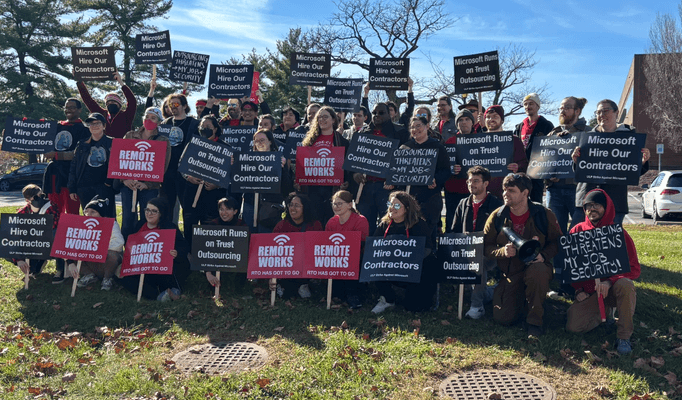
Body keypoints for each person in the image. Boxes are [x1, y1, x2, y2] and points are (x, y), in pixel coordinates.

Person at [483, 173, 561, 336]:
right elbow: (485, 247)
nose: (505, 194)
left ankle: (534, 322)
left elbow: (557, 242)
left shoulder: (543, 214)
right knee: (503, 318)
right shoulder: (497, 216)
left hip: (536, 268)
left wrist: (544, 256)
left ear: (525, 193)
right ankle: (526, 302)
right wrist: (502, 252)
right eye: (504, 190)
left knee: (537, 272)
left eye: (511, 190)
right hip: (511, 273)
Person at [566, 189, 640, 355]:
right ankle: (603, 313)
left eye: (597, 205)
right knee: (574, 326)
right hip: (591, 293)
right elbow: (571, 268)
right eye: (588, 206)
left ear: (607, 207)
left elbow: (634, 268)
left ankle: (623, 335)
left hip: (613, 289)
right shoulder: (577, 231)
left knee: (625, 284)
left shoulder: (618, 233)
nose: (592, 209)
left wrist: (610, 281)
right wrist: (578, 290)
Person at [571, 99, 650, 226]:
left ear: (616, 113)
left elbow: (631, 172)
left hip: (615, 202)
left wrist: (642, 162)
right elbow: (581, 171)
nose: (601, 114)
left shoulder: (629, 137)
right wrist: (576, 161)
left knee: (609, 244)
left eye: (605, 110)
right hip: (587, 200)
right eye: (598, 112)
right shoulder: (586, 138)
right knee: (577, 241)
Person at [450, 166, 503, 319]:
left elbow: (500, 235)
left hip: (488, 252)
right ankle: (492, 291)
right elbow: (454, 230)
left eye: (476, 181)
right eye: (469, 181)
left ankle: (477, 306)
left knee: (477, 262)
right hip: (465, 249)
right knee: (470, 282)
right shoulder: (463, 203)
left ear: (486, 183)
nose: (471, 184)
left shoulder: (496, 205)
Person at [371, 191, 437, 313]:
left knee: (412, 307)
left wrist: (407, 259)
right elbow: (374, 247)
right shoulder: (384, 225)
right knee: (374, 265)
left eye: (396, 205)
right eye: (390, 204)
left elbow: (427, 249)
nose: (392, 208)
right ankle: (387, 299)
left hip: (413, 268)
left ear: (406, 209)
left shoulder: (418, 224)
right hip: (390, 266)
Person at [119, 197, 190, 301]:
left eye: (154, 211)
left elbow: (184, 246)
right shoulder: (140, 225)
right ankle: (159, 294)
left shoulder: (169, 227)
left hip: (162, 268)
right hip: (143, 267)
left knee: (170, 274)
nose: (149, 214)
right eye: (147, 210)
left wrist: (176, 252)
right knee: (126, 280)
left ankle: (168, 291)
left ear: (161, 213)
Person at [354, 103, 410, 234]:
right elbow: (354, 159)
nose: (377, 116)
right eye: (374, 113)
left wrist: (394, 180)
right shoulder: (362, 133)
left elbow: (405, 162)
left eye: (381, 113)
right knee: (366, 225)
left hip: (388, 189)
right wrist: (355, 173)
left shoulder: (400, 133)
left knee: (389, 223)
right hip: (365, 187)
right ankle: (366, 252)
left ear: (389, 114)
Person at [118, 107, 171, 239]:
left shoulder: (163, 141)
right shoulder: (130, 135)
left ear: (159, 122)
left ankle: (143, 251)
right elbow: (119, 160)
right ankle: (126, 252)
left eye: (153, 118)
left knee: (147, 221)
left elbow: (163, 167)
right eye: (147, 117)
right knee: (127, 220)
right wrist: (125, 180)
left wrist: (147, 184)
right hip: (128, 186)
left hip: (149, 188)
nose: (149, 120)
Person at [544, 97, 589, 233]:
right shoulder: (553, 133)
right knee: (555, 233)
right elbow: (543, 162)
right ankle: (558, 255)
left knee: (577, 232)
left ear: (577, 111)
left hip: (578, 190)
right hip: (554, 190)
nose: (563, 111)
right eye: (561, 108)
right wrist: (548, 175)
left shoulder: (588, 132)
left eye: (567, 107)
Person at [299, 106, 350, 224]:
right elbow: (302, 164)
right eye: (319, 117)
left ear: (333, 120)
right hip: (313, 188)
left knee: (331, 219)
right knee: (313, 219)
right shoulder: (309, 141)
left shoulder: (342, 141)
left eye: (325, 117)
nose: (322, 119)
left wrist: (346, 181)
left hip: (332, 189)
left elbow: (347, 165)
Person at [181, 115, 226, 245]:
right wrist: (188, 177)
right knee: (189, 226)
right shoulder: (192, 144)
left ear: (216, 129)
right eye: (202, 127)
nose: (204, 129)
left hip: (213, 195)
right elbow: (181, 165)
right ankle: (189, 256)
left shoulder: (225, 148)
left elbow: (228, 174)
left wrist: (217, 185)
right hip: (192, 193)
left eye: (208, 127)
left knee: (210, 229)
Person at [402, 116, 450, 239]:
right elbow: (398, 171)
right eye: (412, 127)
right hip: (409, 198)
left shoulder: (438, 147)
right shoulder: (404, 148)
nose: (415, 129)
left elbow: (446, 171)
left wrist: (436, 179)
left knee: (429, 235)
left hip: (430, 198)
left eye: (418, 126)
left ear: (427, 127)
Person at [271, 193, 323, 299]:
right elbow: (273, 252)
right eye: (291, 205)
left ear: (305, 208)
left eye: (297, 205)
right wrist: (272, 277)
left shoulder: (315, 225)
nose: (293, 208)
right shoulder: (281, 226)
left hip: (306, 265)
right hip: (286, 265)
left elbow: (319, 251)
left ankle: (304, 285)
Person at [67, 196, 124, 291]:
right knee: (74, 252)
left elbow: (119, 242)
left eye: (93, 212)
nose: (88, 214)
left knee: (113, 256)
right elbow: (69, 244)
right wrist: (70, 262)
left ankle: (107, 278)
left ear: (101, 214)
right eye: (86, 211)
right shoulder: (80, 225)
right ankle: (89, 275)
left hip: (106, 261)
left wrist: (98, 249)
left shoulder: (111, 224)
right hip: (89, 261)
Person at [325, 190, 369, 309]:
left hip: (356, 258)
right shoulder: (331, 222)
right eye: (334, 204)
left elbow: (362, 243)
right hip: (336, 259)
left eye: (340, 203)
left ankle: (354, 295)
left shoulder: (361, 220)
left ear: (350, 205)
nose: (336, 206)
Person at [241, 129, 291, 233]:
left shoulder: (279, 160)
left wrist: (282, 170)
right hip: (250, 204)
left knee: (264, 240)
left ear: (270, 142)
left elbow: (286, 188)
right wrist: (235, 165)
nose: (259, 143)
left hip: (270, 207)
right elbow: (239, 182)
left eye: (262, 140)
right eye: (256, 141)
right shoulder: (247, 160)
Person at [67, 113, 115, 218]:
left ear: (104, 125)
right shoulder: (82, 144)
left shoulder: (112, 143)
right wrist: (72, 188)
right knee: (89, 219)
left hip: (105, 187)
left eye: (97, 123)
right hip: (84, 187)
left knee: (108, 218)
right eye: (91, 124)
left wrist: (108, 183)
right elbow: (74, 167)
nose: (94, 126)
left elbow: (116, 165)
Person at [160, 93, 200, 221]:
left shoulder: (194, 124)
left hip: (186, 173)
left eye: (176, 104)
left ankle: (188, 240)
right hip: (168, 173)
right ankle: (170, 239)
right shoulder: (165, 124)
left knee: (189, 212)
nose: (173, 107)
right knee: (166, 210)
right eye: (170, 105)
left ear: (184, 106)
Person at [513, 93, 555, 203]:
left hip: (537, 172)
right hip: (521, 171)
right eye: (525, 104)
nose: (528, 106)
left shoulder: (546, 125)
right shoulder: (519, 127)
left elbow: (552, 149)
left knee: (536, 203)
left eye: (531, 103)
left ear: (537, 106)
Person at [11, 185, 61, 277]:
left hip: (47, 243)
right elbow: (14, 236)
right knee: (6, 244)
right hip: (32, 245)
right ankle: (35, 264)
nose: (41, 198)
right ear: (27, 200)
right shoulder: (23, 213)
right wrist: (19, 259)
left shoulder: (51, 207)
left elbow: (54, 227)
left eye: (42, 195)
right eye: (37, 197)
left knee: (56, 234)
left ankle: (60, 269)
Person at [480, 105, 529, 199]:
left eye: (495, 116)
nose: (491, 119)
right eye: (488, 117)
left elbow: (524, 164)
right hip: (483, 193)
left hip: (506, 193)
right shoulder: (477, 141)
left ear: (502, 120)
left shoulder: (514, 140)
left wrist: (517, 167)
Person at [76, 71, 137, 139]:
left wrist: (121, 82)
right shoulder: (102, 114)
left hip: (121, 147)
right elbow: (88, 100)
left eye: (113, 102)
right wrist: (79, 82)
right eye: (108, 102)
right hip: (103, 147)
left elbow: (132, 101)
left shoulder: (126, 115)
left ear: (119, 105)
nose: (110, 103)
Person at [204, 197, 249, 289]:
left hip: (235, 259)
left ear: (235, 211)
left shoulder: (242, 226)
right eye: (221, 209)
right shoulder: (213, 225)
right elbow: (205, 250)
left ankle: (238, 286)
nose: (224, 213)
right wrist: (208, 273)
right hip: (216, 261)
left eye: (228, 209)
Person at [443, 109, 476, 231]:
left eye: (467, 119)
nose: (464, 122)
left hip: (474, 190)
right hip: (453, 190)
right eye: (461, 120)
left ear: (472, 122)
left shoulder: (480, 140)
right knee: (452, 222)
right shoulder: (450, 142)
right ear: (457, 124)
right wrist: (451, 168)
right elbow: (443, 167)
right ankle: (450, 247)